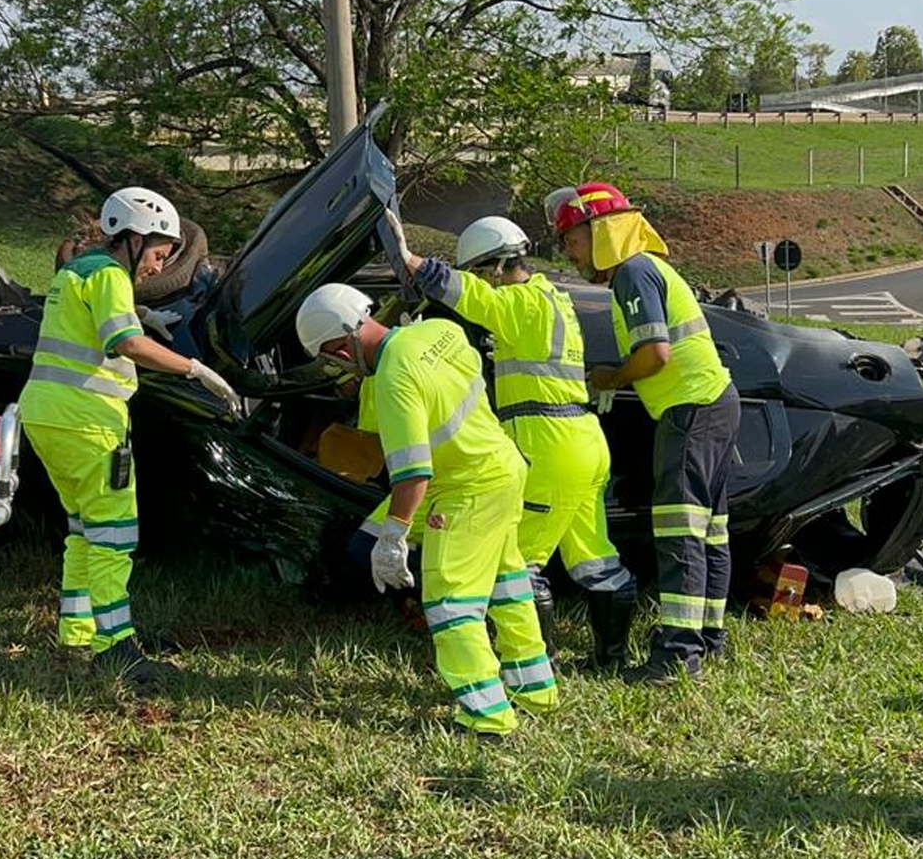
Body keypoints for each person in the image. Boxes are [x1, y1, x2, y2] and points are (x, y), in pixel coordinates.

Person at [296, 283, 555, 738]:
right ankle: (535, 688)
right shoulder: (438, 331)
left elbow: (412, 474)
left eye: (331, 358)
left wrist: (395, 536)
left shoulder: (395, 377)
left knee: (451, 605)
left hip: (463, 488)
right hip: (502, 467)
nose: (336, 367)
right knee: (507, 585)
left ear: (341, 344)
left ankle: (487, 717)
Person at [19, 187, 240, 689]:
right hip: (88, 420)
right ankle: (116, 646)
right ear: (136, 238)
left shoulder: (80, 270)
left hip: (46, 414)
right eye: (159, 254)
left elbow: (94, 326)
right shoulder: (111, 275)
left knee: (83, 528)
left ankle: (78, 632)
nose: (159, 268)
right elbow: (124, 343)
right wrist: (194, 369)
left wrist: (142, 315)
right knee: (115, 536)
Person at [401, 216, 635, 669]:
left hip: (547, 445)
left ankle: (533, 665)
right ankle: (612, 661)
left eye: (481, 272)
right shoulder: (553, 297)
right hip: (584, 441)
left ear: (497, 266)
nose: (480, 281)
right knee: (595, 560)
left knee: (520, 562)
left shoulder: (520, 303)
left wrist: (413, 262)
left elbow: (469, 297)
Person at [552, 182, 739, 684]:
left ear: (600, 230)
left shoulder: (634, 273)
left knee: (679, 531)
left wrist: (611, 377)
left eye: (571, 240)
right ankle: (707, 638)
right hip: (715, 403)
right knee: (709, 530)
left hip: (691, 410)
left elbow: (655, 353)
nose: (570, 254)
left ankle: (678, 654)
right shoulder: (648, 269)